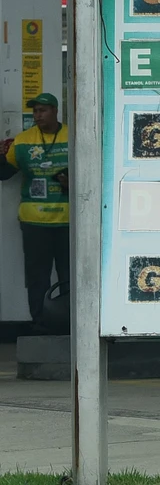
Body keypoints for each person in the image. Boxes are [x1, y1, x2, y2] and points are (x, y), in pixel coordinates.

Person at [0, 93, 69, 330]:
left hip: (68, 222)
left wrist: (74, 182)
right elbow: (4, 173)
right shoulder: (22, 141)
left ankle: (69, 325)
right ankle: (39, 325)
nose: (37, 115)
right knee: (37, 278)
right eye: (35, 111)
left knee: (68, 277)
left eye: (42, 111)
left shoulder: (74, 137)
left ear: (55, 111)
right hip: (34, 223)